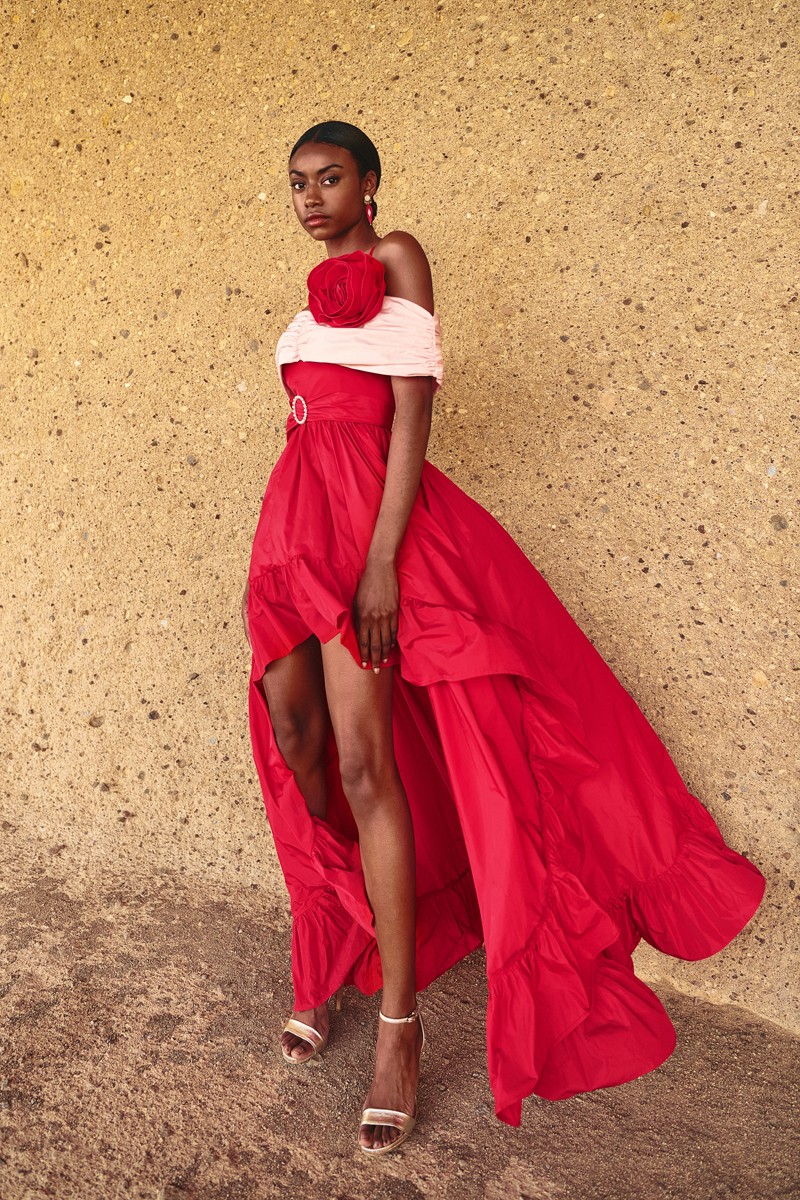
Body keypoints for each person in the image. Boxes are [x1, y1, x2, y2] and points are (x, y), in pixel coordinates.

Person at [242, 120, 766, 1157]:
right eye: (296, 182)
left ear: (370, 183)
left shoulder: (396, 257)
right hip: (292, 527)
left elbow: (407, 415)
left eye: (329, 177)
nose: (309, 196)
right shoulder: (311, 290)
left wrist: (383, 559)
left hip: (366, 535)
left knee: (361, 758)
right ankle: (346, 920)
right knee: (293, 739)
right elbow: (312, 418)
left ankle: (397, 1027)